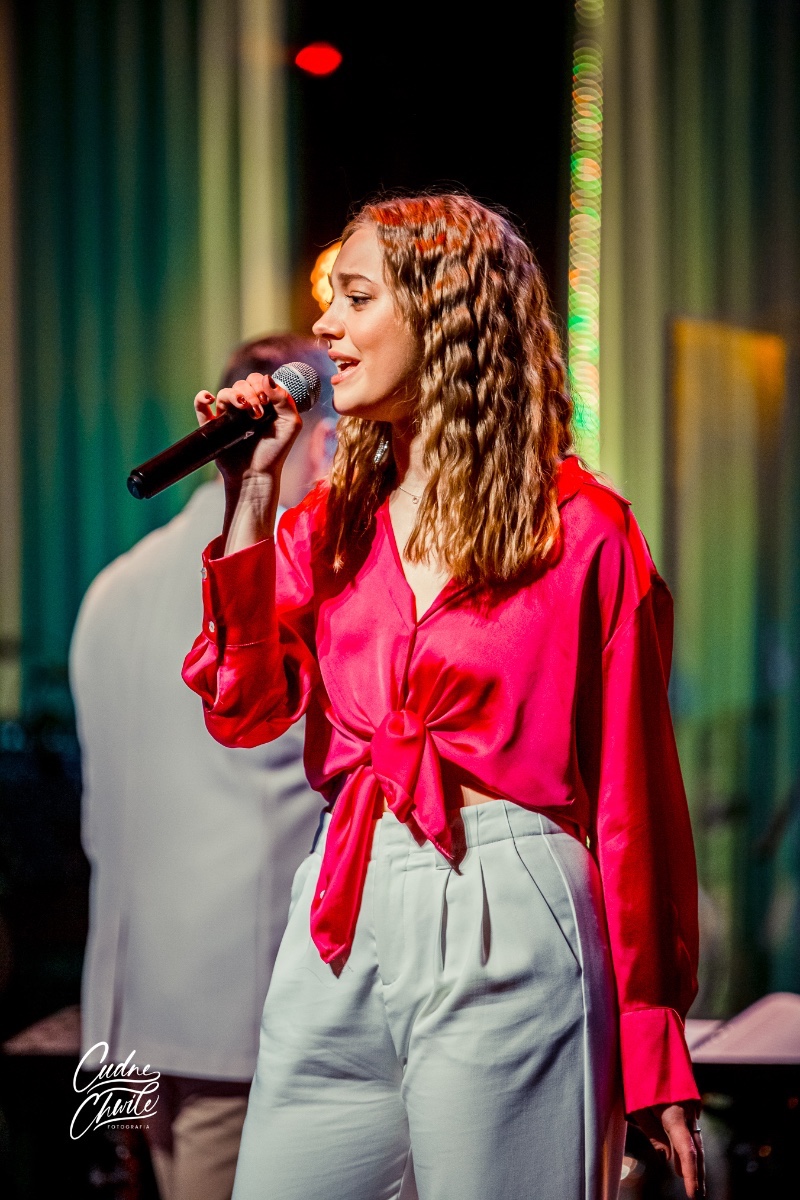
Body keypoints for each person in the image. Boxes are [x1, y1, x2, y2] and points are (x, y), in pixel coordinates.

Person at [183, 195, 704, 1200]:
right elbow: (241, 705)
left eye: (357, 297)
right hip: (343, 906)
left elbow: (634, 801)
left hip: (510, 896)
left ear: (446, 319)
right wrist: (251, 494)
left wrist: (650, 1036)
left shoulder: (582, 532)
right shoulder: (327, 528)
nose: (325, 324)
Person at [71, 334, 334, 1200]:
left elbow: (99, 813)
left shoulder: (111, 586)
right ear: (310, 440)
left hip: (127, 1001)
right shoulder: (275, 590)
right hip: (241, 1004)